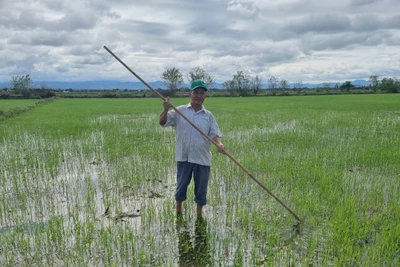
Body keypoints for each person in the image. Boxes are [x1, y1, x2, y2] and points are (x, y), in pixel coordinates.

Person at [159, 79, 225, 216]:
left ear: (205, 96)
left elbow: (214, 133)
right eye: (196, 92)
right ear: (190, 94)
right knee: (181, 186)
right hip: (184, 157)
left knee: (201, 189)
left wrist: (219, 144)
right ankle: (178, 209)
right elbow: (162, 122)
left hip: (202, 158)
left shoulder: (208, 116)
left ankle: (199, 213)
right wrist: (166, 109)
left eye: (202, 93)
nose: (199, 96)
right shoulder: (180, 111)